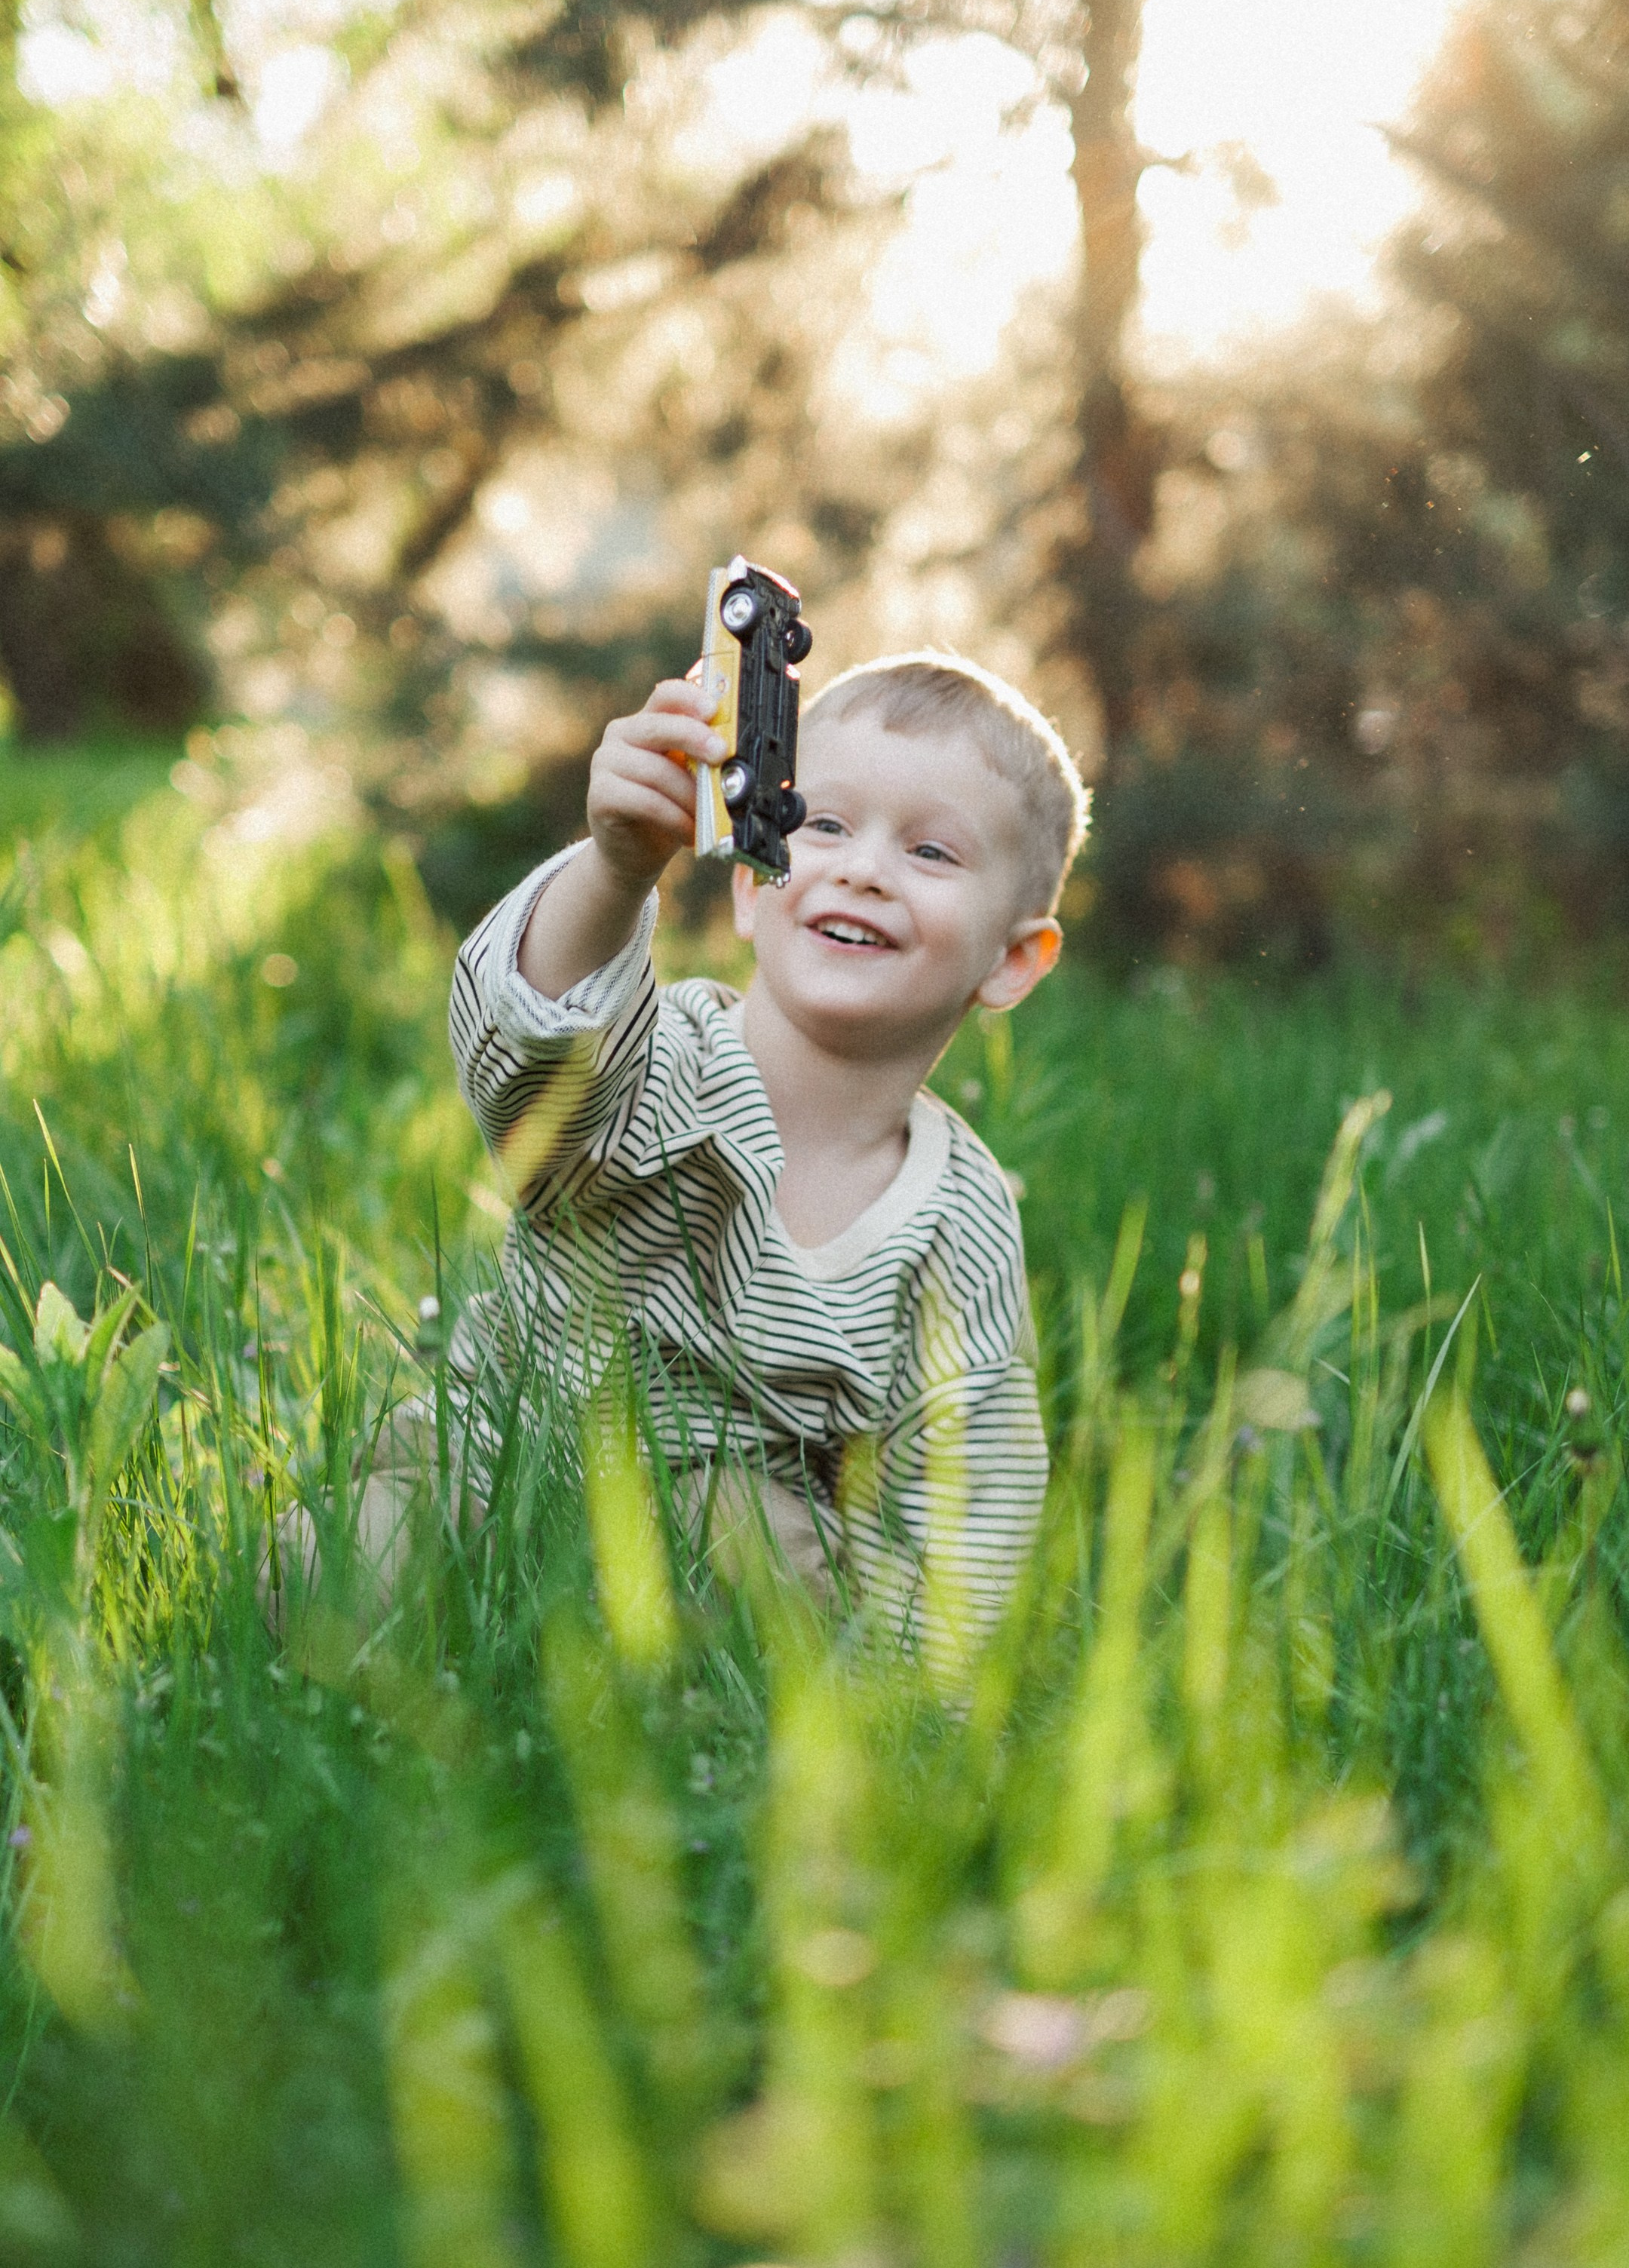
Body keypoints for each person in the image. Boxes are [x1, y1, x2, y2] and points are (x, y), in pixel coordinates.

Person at [275, 652, 1088, 1656]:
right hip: (503, 1464)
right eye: (823, 826)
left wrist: (938, 1691)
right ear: (753, 890)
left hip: (723, 1544)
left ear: (1011, 961)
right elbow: (535, 1073)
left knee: (765, 1543)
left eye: (930, 852)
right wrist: (616, 867)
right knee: (334, 1568)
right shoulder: (663, 1062)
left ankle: (705, 1736)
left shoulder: (956, 1222)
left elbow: (964, 1496)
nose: (862, 868)